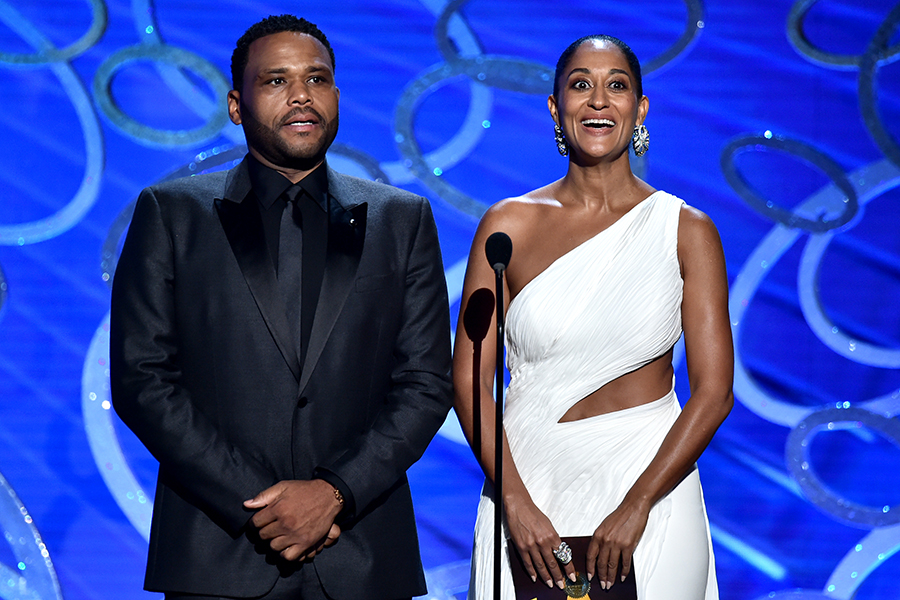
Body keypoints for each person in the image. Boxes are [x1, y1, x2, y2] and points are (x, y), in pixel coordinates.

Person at [109, 14, 453, 600]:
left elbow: (424, 382)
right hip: (218, 552)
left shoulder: (402, 219)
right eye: (276, 81)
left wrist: (335, 492)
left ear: (337, 96)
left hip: (362, 551)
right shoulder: (172, 214)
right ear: (237, 105)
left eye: (317, 79)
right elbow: (143, 379)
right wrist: (262, 504)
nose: (301, 95)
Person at [453, 35, 733, 599]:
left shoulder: (687, 230)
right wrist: (514, 501)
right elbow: (468, 379)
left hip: (651, 485)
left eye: (617, 86)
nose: (599, 101)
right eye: (581, 85)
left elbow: (714, 392)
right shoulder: (508, 225)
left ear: (641, 107)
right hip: (529, 486)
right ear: (556, 108)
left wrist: (638, 505)